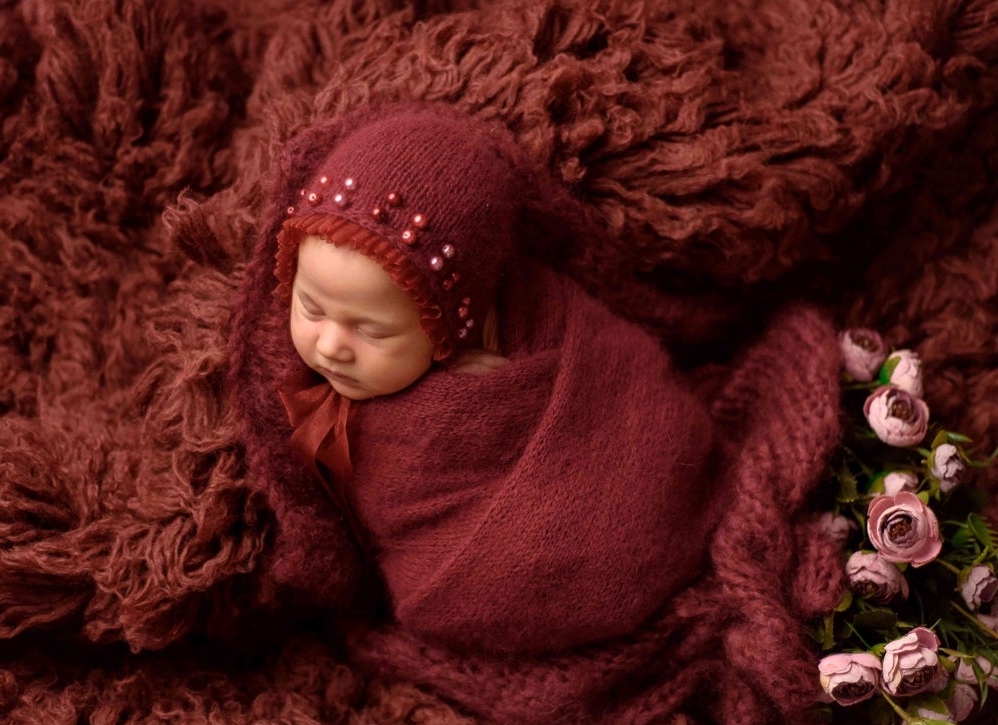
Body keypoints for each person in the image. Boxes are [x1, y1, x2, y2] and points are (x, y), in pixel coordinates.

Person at [246, 102, 720, 657]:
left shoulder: (537, 318)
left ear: (451, 329)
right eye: (310, 306)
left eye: (371, 332)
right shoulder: (294, 381)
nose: (329, 347)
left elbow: (628, 384)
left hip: (585, 515)